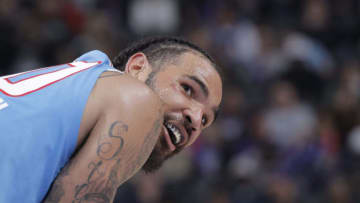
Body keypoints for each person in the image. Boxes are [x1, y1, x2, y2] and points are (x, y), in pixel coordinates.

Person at [0, 37, 223, 203]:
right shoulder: (138, 99)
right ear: (137, 68)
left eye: (205, 120)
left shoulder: (77, 85)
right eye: (187, 89)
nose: (195, 120)